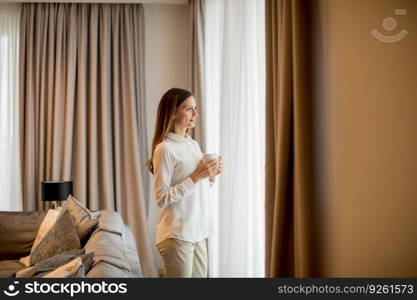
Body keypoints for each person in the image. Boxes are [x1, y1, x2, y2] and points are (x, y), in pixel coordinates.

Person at [147, 87, 223, 278]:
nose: (195, 113)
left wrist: (211, 175)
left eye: (195, 108)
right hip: (177, 236)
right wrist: (196, 176)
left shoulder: (192, 144)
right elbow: (162, 198)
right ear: (173, 112)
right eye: (189, 108)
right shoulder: (164, 149)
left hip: (198, 234)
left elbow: (195, 188)